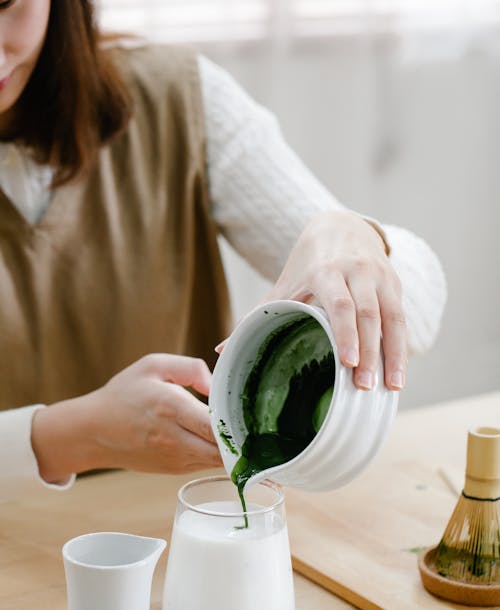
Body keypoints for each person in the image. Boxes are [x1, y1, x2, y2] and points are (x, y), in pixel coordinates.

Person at [0, 0, 446, 494]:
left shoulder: (174, 98)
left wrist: (353, 237)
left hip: (185, 521)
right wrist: (72, 436)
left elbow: (421, 314)